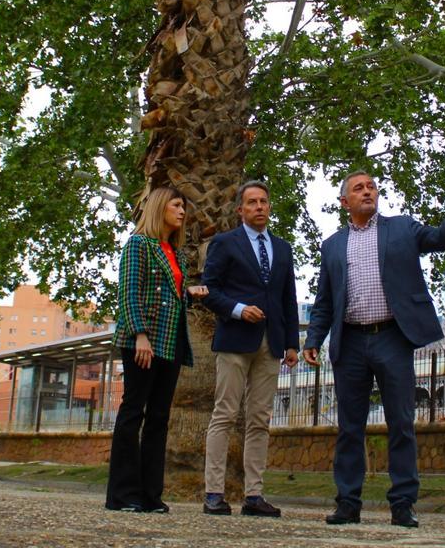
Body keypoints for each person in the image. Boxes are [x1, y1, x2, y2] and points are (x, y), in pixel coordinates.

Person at [302, 170, 445, 528]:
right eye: (359, 188)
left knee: (400, 422)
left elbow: (442, 239)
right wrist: (313, 340)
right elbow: (324, 301)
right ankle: (347, 503)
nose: (368, 191)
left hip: (392, 338)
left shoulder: (402, 228)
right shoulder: (332, 246)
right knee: (349, 427)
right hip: (350, 341)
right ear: (344, 202)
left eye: (371, 186)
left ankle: (402, 503)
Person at [105, 187, 208, 514]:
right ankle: (121, 496)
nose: (182, 212)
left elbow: (167, 296)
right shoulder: (138, 245)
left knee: (159, 418)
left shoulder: (173, 252)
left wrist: (188, 293)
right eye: (177, 205)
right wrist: (139, 335)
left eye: (183, 207)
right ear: (161, 207)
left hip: (172, 341)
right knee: (133, 411)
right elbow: (128, 293)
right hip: (144, 340)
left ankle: (151, 496)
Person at [201, 181, 299, 518]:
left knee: (260, 419)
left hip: (271, 343)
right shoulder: (225, 243)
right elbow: (208, 290)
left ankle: (253, 496)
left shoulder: (283, 248)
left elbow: (288, 298)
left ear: (270, 207)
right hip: (234, 338)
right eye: (251, 202)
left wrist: (291, 343)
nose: (259, 207)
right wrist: (239, 309)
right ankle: (214, 492)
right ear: (240, 209)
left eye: (263, 202)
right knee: (225, 415)